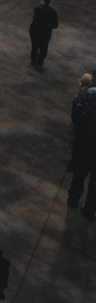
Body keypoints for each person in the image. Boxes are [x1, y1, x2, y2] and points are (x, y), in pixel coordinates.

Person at [67, 74, 96, 218]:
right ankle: (90, 210)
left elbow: (75, 116)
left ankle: (73, 199)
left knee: (79, 173)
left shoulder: (85, 93)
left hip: (84, 141)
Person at [28, 0, 59, 69]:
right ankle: (39, 63)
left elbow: (35, 21)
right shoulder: (53, 12)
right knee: (43, 49)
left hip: (35, 32)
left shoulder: (37, 10)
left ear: (43, 1)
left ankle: (33, 61)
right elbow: (55, 25)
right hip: (46, 34)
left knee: (34, 47)